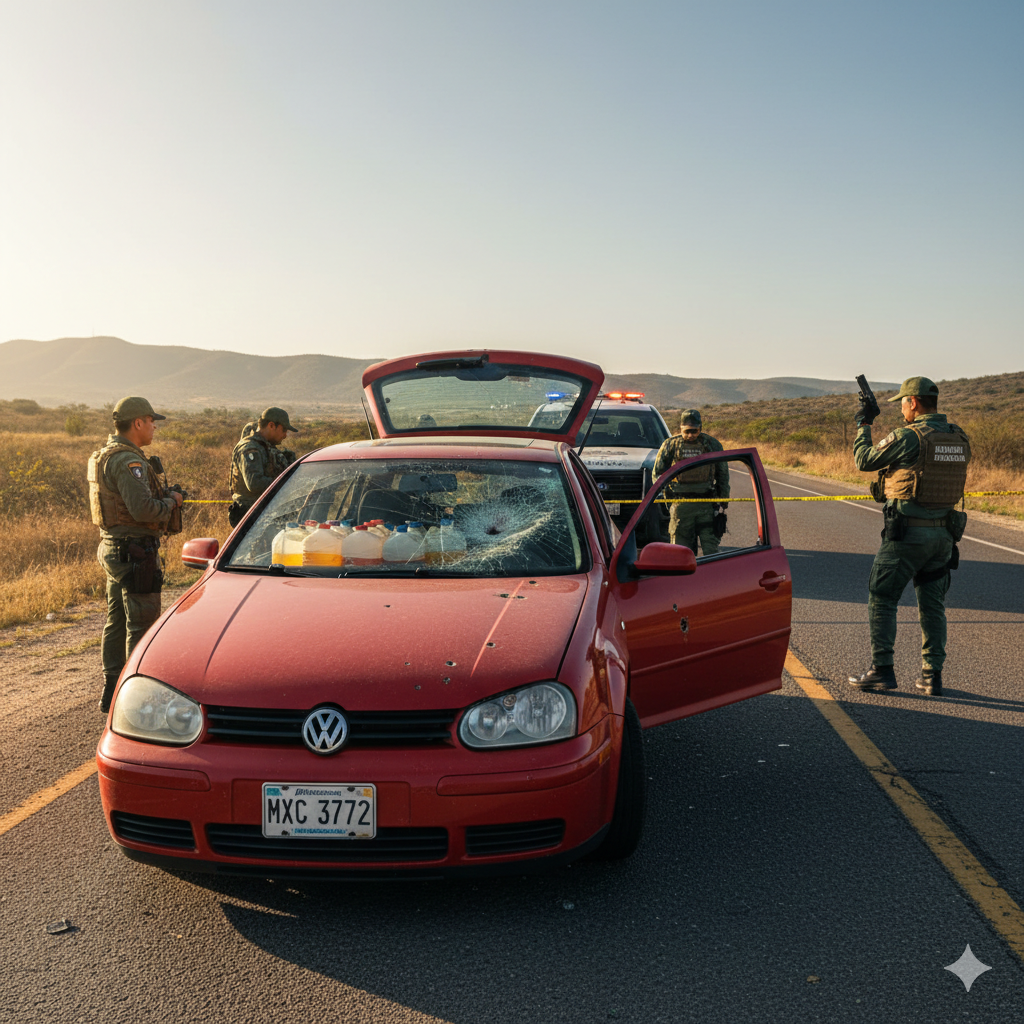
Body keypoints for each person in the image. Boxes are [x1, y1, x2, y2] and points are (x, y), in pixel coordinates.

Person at [848, 376, 971, 697]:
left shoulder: (908, 436)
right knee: (933, 606)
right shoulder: (959, 437)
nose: (901, 408)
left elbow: (864, 460)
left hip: (907, 535)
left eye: (903, 402)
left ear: (913, 402)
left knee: (883, 596)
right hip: (944, 536)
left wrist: (864, 424)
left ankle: (882, 670)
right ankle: (932, 675)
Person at [89, 397, 183, 713]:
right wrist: (173, 501)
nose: (154, 426)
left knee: (116, 621)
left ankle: (112, 691)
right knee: (141, 626)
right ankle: (136, 702)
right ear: (138, 423)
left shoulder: (103, 455)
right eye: (151, 420)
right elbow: (143, 510)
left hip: (113, 547)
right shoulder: (128, 461)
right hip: (134, 553)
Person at [652, 410, 730, 555]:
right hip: (681, 505)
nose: (690, 435)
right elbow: (658, 475)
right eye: (687, 431)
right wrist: (668, 500)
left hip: (706, 505)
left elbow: (723, 474)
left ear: (700, 428)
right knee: (680, 553)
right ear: (681, 428)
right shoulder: (670, 445)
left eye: (694, 431)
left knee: (710, 551)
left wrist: (723, 498)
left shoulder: (712, 444)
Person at [228, 407, 298, 526]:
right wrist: (286, 482)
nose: (285, 435)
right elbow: (254, 483)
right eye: (284, 430)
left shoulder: (266, 447)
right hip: (250, 516)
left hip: (264, 513)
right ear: (271, 425)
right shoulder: (250, 448)